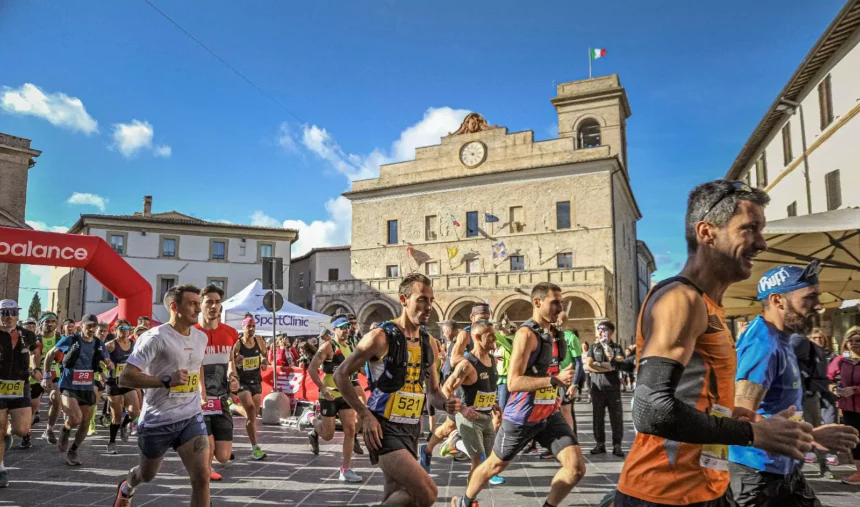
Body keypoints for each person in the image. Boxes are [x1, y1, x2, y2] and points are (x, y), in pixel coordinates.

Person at [616, 180, 817, 507]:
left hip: (707, 487)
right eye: (749, 229)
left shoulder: (710, 307)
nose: (762, 243)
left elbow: (705, 406)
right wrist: (754, 435)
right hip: (662, 495)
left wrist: (777, 431)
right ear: (707, 233)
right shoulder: (680, 299)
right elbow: (651, 410)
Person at [729, 263, 859, 506]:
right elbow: (740, 417)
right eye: (809, 298)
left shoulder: (781, 336)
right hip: (757, 474)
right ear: (778, 300)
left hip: (782, 467)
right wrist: (810, 437)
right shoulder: (763, 345)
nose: (818, 306)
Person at [334, 273, 460, 507]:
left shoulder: (428, 342)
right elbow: (341, 374)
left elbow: (433, 392)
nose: (428, 306)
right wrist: (364, 415)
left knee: (396, 496)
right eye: (422, 299)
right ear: (404, 299)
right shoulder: (380, 337)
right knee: (426, 493)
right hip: (383, 428)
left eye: (431, 300)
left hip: (411, 428)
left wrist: (447, 404)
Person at [453, 282, 582, 507]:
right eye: (554, 303)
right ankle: (464, 501)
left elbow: (548, 371)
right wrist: (554, 380)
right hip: (522, 417)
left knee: (576, 468)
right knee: (494, 465)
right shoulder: (526, 334)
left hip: (548, 413)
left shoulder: (555, 334)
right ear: (537, 302)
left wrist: (557, 389)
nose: (559, 308)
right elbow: (513, 382)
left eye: (561, 303)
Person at [113, 284, 209, 507]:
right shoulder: (154, 337)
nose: (198, 309)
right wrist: (165, 381)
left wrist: (202, 390)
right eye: (192, 304)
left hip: (190, 417)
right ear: (175, 307)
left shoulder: (201, 338)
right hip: (158, 421)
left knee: (202, 478)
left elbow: (196, 366)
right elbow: (126, 377)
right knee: (146, 475)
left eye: (198, 304)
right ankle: (127, 488)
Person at [43, 313, 114, 466]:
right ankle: (65, 430)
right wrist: (46, 376)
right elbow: (50, 354)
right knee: (75, 418)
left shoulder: (98, 343)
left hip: (87, 386)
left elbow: (105, 359)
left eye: (94, 326)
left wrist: (108, 365)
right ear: (81, 326)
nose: (91, 329)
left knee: (86, 421)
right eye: (88, 325)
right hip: (69, 385)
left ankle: (73, 450)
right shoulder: (71, 339)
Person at [442, 320, 502, 481]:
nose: (494, 338)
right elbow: (446, 388)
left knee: (489, 464)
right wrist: (462, 409)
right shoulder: (467, 364)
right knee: (478, 464)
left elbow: (485, 386)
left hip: (486, 416)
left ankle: (457, 443)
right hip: (470, 418)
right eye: (490, 336)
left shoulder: (492, 360)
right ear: (477, 337)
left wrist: (492, 403)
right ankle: (467, 502)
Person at [307, 316, 363, 482]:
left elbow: (357, 368)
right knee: (328, 436)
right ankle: (310, 419)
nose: (346, 330)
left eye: (347, 327)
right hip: (329, 394)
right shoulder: (328, 347)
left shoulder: (351, 346)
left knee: (351, 430)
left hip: (345, 393)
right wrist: (323, 388)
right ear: (335, 330)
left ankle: (345, 469)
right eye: (342, 327)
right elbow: (312, 368)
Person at [194, 284, 239, 482]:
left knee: (223, 455)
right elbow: (196, 365)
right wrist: (202, 391)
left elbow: (229, 361)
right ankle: (204, 468)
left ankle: (203, 459)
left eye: (217, 302)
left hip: (221, 399)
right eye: (209, 302)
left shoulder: (230, 333)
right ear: (201, 305)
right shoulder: (192, 333)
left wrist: (233, 377)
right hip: (198, 400)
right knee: (208, 446)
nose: (214, 306)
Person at [0, 300, 39, 486]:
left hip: (20, 385)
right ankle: (0, 469)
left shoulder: (28, 335)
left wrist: (35, 369)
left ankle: (8, 434)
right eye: (4, 312)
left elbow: (34, 353)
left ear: (17, 314)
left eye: (12, 312)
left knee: (21, 429)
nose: (8, 316)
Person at [793, 325, 839, 478]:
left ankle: (821, 465)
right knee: (811, 428)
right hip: (807, 394)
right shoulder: (802, 345)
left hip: (801, 395)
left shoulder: (794, 343)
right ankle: (822, 466)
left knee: (808, 429)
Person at [420, 320, 462, 469]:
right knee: (449, 426)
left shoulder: (452, 343)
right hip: (459, 390)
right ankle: (430, 448)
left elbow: (434, 388)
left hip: (465, 390)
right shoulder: (458, 343)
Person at [584, 320, 626, 457]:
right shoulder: (594, 347)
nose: (601, 333)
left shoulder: (616, 347)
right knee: (598, 417)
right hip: (597, 388)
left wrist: (609, 360)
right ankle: (600, 444)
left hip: (613, 388)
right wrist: (605, 366)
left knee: (616, 417)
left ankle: (617, 445)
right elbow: (588, 365)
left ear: (611, 332)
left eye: (604, 330)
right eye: (599, 330)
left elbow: (619, 363)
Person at [232, 315, 268, 460]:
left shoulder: (259, 341)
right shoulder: (238, 344)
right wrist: (236, 360)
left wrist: (264, 362)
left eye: (253, 326)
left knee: (253, 415)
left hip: (256, 380)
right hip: (242, 381)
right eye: (249, 326)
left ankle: (233, 407)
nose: (251, 329)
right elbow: (229, 362)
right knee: (251, 410)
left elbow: (265, 355)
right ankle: (255, 447)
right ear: (243, 328)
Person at [104, 319, 141, 454]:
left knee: (134, 412)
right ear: (115, 330)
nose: (124, 331)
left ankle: (124, 425)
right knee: (116, 415)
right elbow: (99, 358)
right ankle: (111, 442)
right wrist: (106, 365)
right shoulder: (110, 345)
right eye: (121, 328)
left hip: (128, 382)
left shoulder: (133, 344)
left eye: (127, 328)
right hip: (113, 383)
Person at [829, 326, 860, 485]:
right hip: (848, 407)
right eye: (851, 340)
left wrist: (854, 390)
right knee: (855, 440)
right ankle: (859, 473)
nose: (854, 343)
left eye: (858, 341)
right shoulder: (841, 361)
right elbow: (827, 376)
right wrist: (835, 388)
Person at [809, 328, 839, 467]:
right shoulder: (805, 355)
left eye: (820, 338)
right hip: (810, 394)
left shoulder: (831, 356)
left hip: (827, 394)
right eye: (815, 338)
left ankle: (831, 453)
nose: (818, 340)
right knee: (811, 424)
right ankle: (811, 451)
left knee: (829, 423)